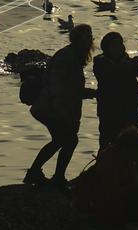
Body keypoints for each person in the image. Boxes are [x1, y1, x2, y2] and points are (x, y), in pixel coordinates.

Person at [25, 24, 96, 187]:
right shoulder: (66, 57)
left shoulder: (74, 56)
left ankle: (38, 173)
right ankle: (53, 176)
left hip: (56, 107)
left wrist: (88, 93)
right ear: (77, 39)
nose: (90, 40)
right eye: (86, 36)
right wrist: (87, 93)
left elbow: (71, 88)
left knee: (61, 140)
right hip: (51, 107)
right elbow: (58, 86)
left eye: (90, 36)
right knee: (68, 140)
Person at [93, 32, 138, 164]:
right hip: (109, 112)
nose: (118, 47)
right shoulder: (100, 61)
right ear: (106, 47)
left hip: (131, 110)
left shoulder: (126, 61)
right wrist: (131, 63)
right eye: (114, 45)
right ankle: (102, 169)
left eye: (120, 44)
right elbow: (113, 72)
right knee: (107, 144)